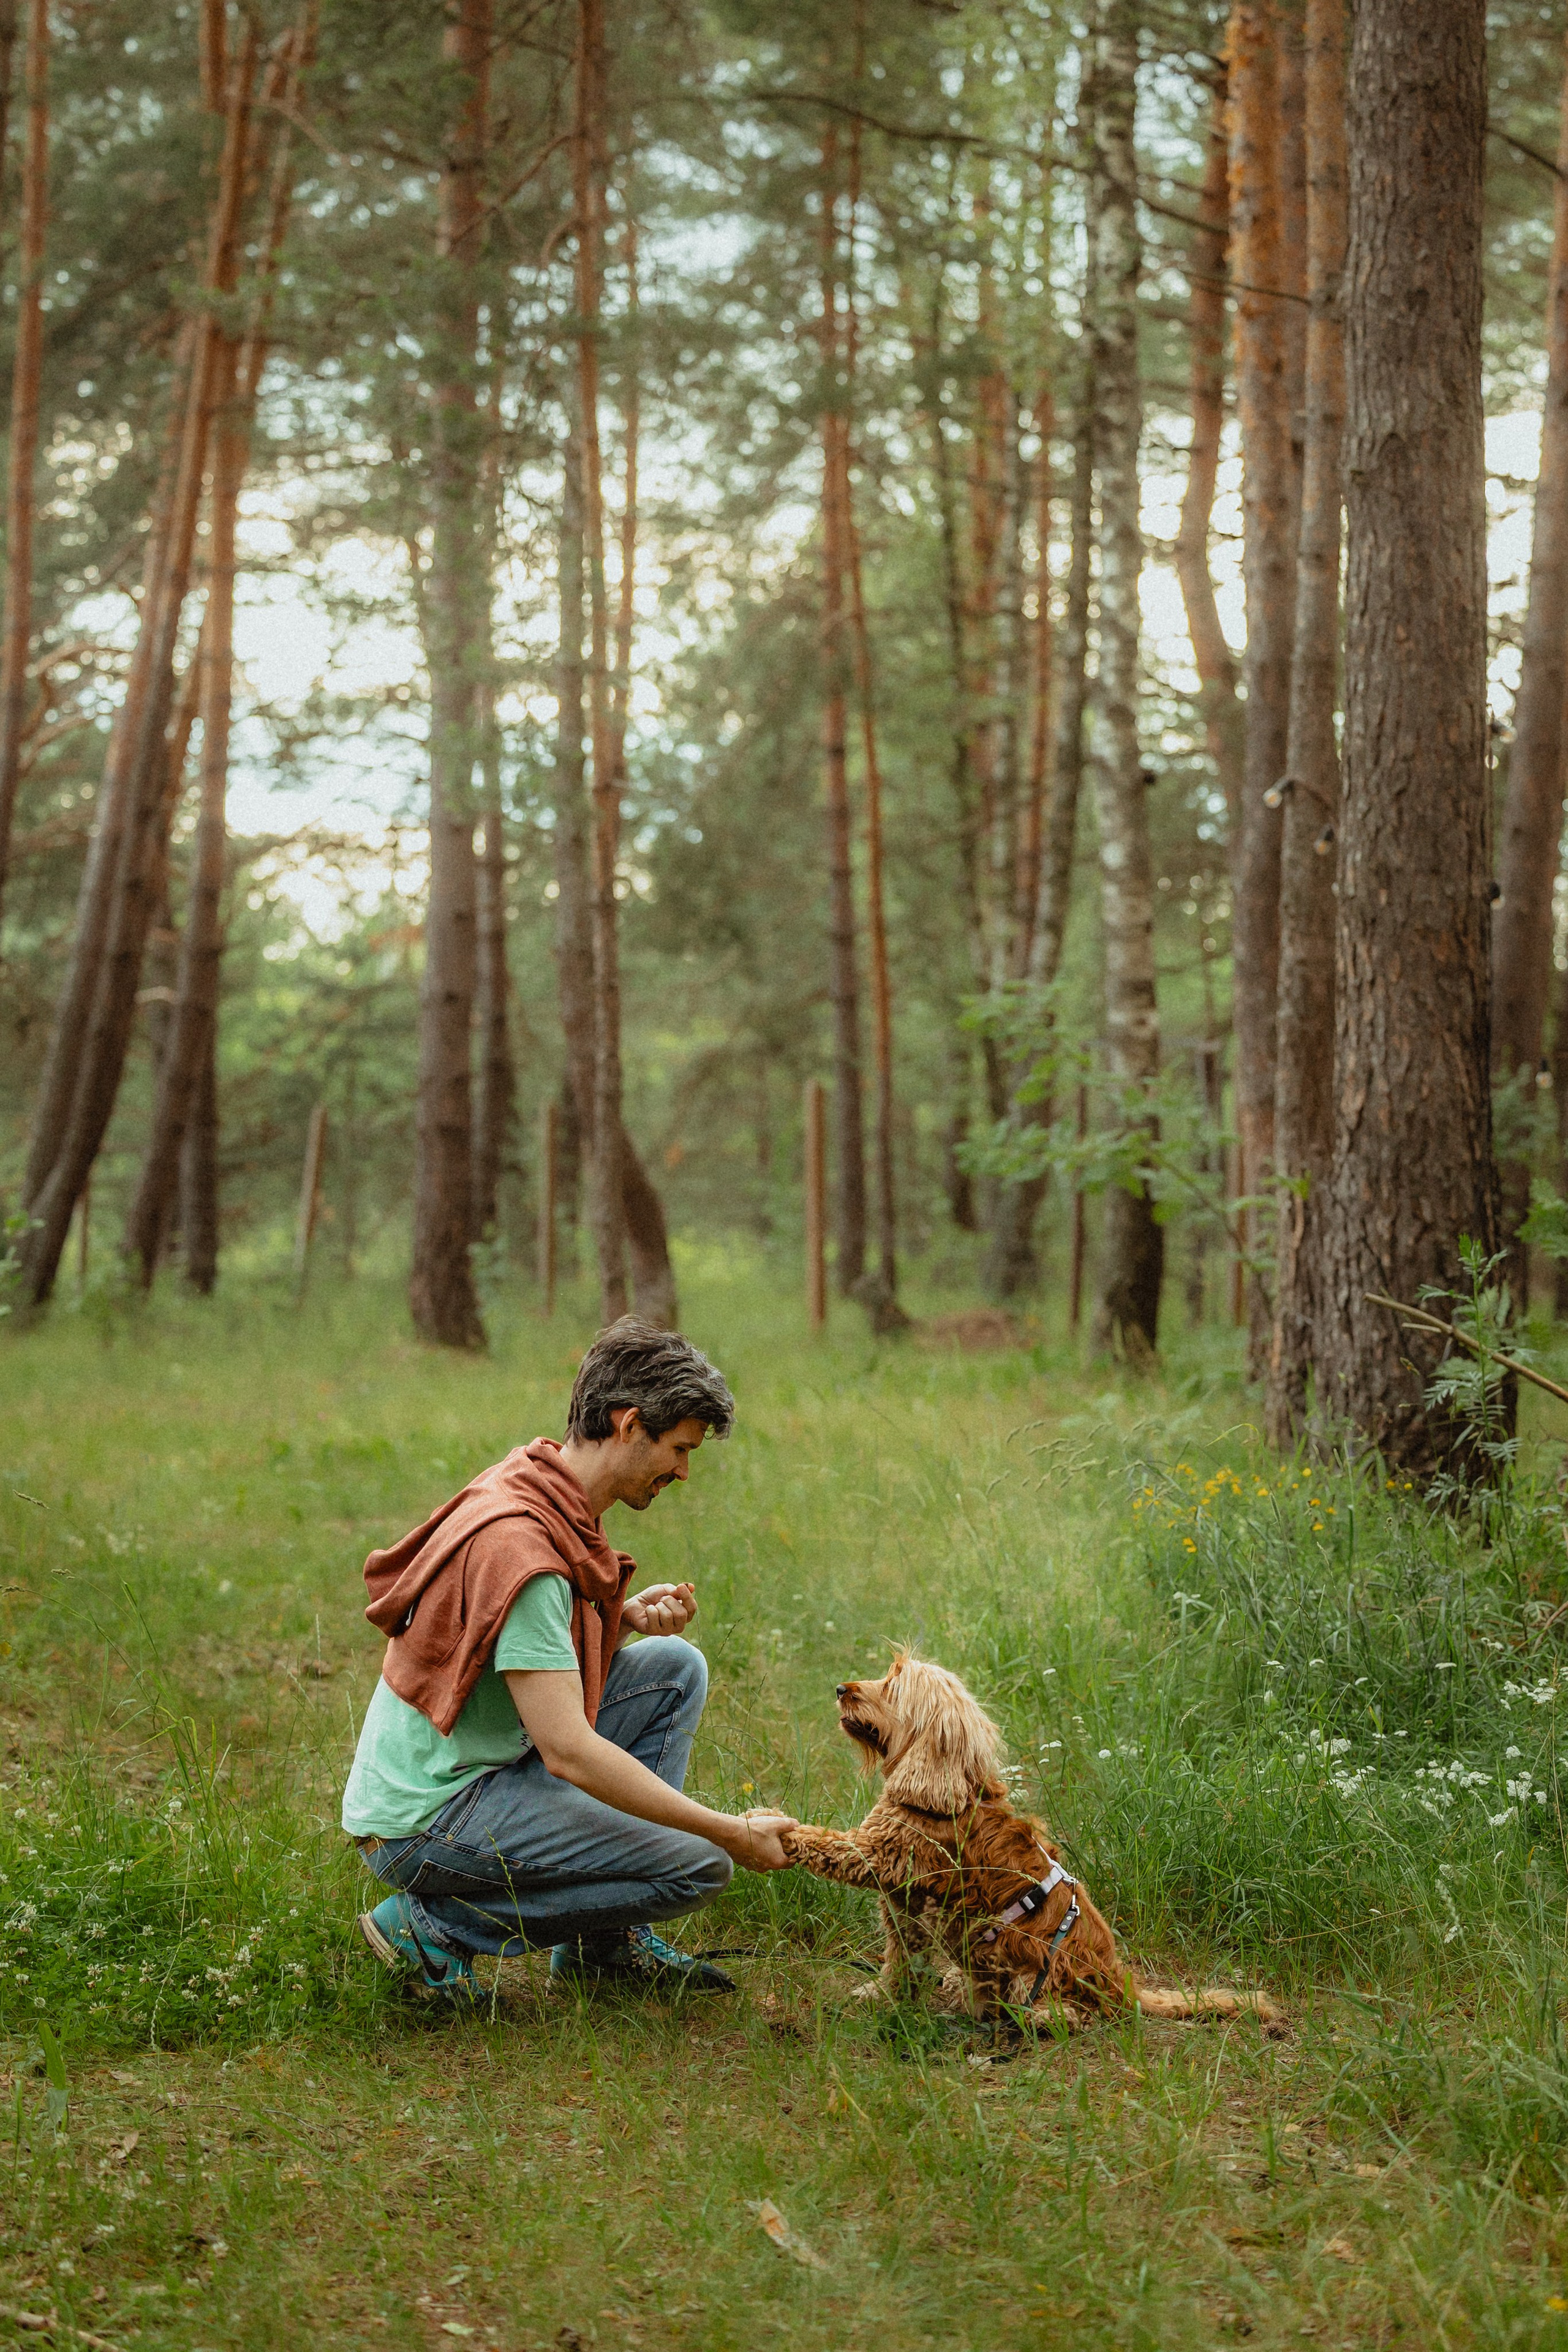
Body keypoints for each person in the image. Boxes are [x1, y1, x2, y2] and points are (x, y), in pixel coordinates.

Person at [342, 1317, 795, 2001]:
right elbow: (568, 1751)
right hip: (426, 1820)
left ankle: (602, 1949)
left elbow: (507, 1656)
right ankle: (433, 1926)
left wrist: (621, 1620)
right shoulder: (524, 1548)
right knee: (698, 1865)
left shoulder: (538, 1480)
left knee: (674, 1667)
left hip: (465, 1769)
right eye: (678, 1449)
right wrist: (728, 1832)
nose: (684, 1470)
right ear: (628, 1423)